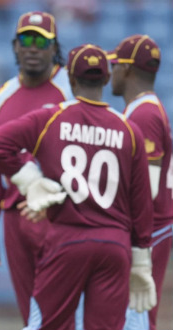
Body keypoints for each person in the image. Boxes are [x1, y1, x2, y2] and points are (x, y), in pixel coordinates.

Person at [0, 43, 156, 330]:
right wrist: (141, 262)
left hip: (67, 239)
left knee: (45, 325)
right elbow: (142, 206)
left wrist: (31, 181)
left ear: (71, 79)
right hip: (115, 246)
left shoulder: (50, 117)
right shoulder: (129, 130)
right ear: (104, 79)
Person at [0, 10, 73, 324]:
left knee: (64, 315)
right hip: (17, 219)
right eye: (26, 40)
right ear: (15, 46)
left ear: (54, 47)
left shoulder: (72, 93)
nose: (33, 48)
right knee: (31, 316)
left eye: (41, 42)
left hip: (62, 216)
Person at [108, 35, 173, 330]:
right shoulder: (143, 109)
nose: (111, 73)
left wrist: (136, 245)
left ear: (128, 69)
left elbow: (148, 186)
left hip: (149, 228)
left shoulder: (144, 113)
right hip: (151, 225)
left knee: (137, 310)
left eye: (115, 65)